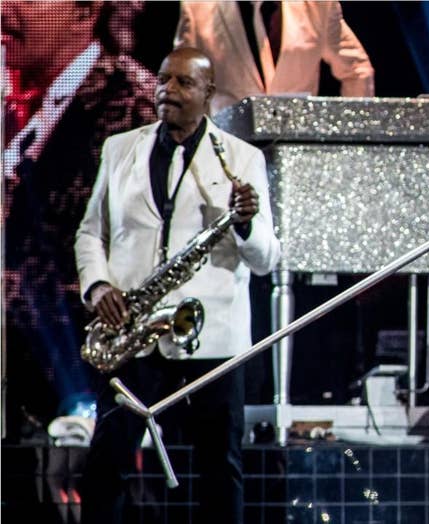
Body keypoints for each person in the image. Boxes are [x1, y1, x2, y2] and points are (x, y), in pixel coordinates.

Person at [74, 47, 281, 523]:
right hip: (133, 331)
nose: (167, 90)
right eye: (164, 79)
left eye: (184, 83)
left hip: (212, 339)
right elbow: (90, 231)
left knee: (219, 470)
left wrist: (246, 223)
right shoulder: (119, 148)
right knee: (106, 466)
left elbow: (266, 259)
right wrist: (99, 286)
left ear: (209, 94)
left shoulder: (242, 161)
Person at [2, 0, 156, 442]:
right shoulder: (16, 105)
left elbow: (131, 261)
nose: (5, 7)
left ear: (86, 11)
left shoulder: (135, 110)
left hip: (90, 399)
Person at [173, 0, 375, 114]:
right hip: (229, 151)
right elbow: (182, 81)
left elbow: (357, 69)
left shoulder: (318, 6)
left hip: (297, 147)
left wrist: (351, 134)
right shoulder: (197, 7)